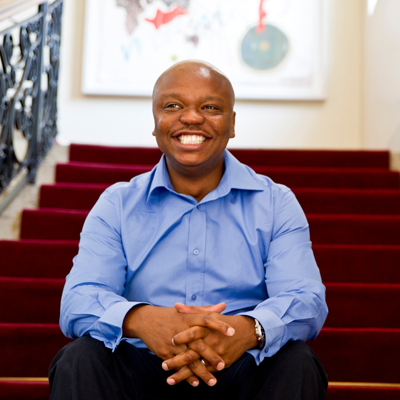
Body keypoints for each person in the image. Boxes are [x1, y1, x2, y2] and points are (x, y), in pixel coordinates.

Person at [49, 60, 328, 399]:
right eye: (173, 106)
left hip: (238, 366)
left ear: (232, 123)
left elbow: (306, 298)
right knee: (80, 359)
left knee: (297, 362)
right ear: (155, 122)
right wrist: (142, 320)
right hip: (145, 367)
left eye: (210, 107)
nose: (192, 117)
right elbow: (78, 299)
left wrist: (247, 329)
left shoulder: (277, 203)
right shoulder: (117, 204)